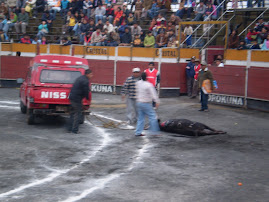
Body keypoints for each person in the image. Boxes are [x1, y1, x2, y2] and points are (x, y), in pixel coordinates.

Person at [135, 72, 160, 136]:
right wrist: (157, 101)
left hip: (138, 102)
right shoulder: (149, 85)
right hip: (145, 103)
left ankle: (138, 132)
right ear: (146, 77)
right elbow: (154, 94)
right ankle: (154, 132)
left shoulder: (138, 83)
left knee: (141, 118)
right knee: (153, 117)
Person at [68, 69, 93, 134]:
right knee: (77, 114)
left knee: (72, 113)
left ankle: (70, 128)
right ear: (87, 74)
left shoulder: (80, 78)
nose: (92, 76)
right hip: (77, 99)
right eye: (91, 74)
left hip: (72, 97)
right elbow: (86, 91)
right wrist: (87, 99)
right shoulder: (85, 81)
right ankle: (75, 130)